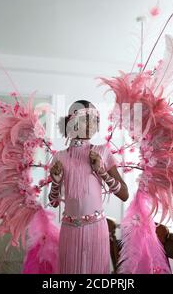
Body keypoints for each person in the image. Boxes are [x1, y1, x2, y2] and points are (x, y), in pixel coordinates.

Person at [48, 100, 129, 274]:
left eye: (96, 119)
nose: (93, 124)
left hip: (96, 230)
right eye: (87, 118)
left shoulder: (102, 152)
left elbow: (124, 194)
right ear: (72, 122)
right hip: (69, 231)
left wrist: (102, 172)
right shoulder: (59, 157)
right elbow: (53, 202)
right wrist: (56, 181)